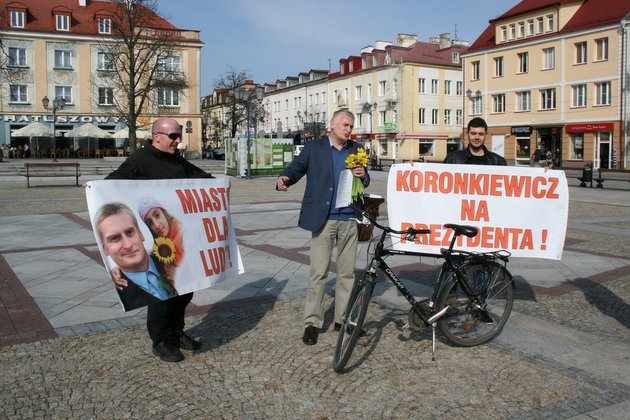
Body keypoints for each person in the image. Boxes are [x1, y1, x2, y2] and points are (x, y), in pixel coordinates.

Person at [106, 117, 214, 363]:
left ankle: (176, 333)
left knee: (185, 290)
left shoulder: (177, 160)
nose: (178, 140)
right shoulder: (139, 161)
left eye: (179, 136)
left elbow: (203, 178)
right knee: (163, 295)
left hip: (180, 240)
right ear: (157, 136)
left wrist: (219, 186)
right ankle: (161, 341)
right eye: (173, 136)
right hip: (156, 246)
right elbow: (114, 182)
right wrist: (94, 189)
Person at [276, 109, 370, 345]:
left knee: (347, 273)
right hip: (323, 219)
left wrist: (364, 174)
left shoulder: (357, 150)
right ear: (333, 124)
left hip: (349, 219)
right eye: (346, 125)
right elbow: (297, 168)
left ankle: (341, 320)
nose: (349, 129)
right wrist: (285, 178)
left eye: (351, 126)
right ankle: (312, 323)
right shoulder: (314, 148)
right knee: (318, 273)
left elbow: (365, 180)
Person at [443, 117, 505, 324]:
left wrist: (543, 174)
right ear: (467, 134)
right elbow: (438, 183)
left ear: (485, 135)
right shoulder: (454, 158)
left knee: (483, 266)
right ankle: (446, 302)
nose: (476, 137)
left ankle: (479, 305)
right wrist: (416, 169)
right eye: (473, 133)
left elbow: (511, 189)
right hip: (460, 220)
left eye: (480, 133)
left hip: (485, 221)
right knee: (454, 263)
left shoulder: (497, 161)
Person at [96, 202, 177, 310]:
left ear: (141, 234)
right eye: (115, 238)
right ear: (105, 249)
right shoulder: (120, 293)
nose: (128, 245)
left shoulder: (170, 259)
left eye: (129, 232)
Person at [138, 198, 184, 281]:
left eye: (157, 215)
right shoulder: (159, 245)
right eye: (150, 222)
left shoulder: (183, 234)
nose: (156, 225)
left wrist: (180, 275)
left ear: (164, 212)